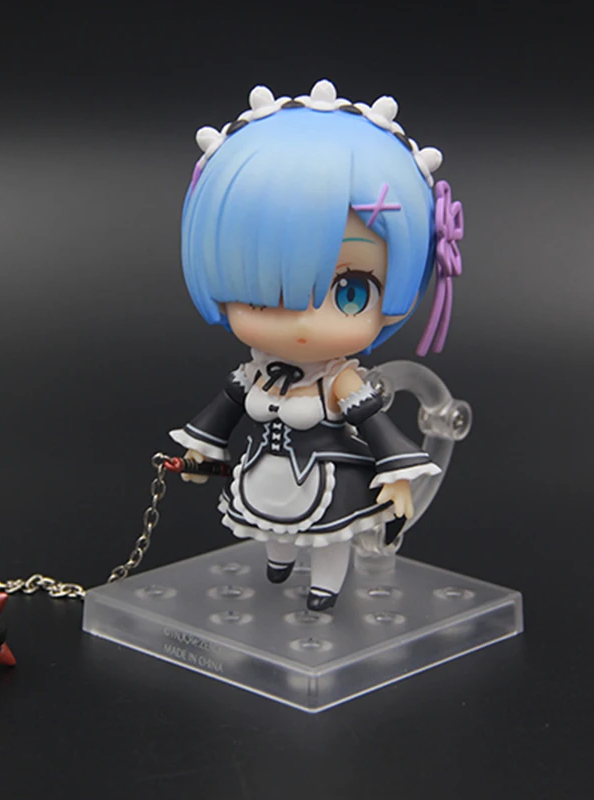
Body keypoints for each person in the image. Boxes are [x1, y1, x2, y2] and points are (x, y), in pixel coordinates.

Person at [170, 80, 463, 611]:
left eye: (351, 292)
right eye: (266, 291)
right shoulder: (255, 371)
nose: (304, 321)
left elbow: (375, 426)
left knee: (331, 535)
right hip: (268, 473)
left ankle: (325, 587)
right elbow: (222, 412)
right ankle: (279, 561)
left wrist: (398, 476)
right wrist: (200, 451)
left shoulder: (338, 379)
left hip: (330, 478)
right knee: (273, 523)